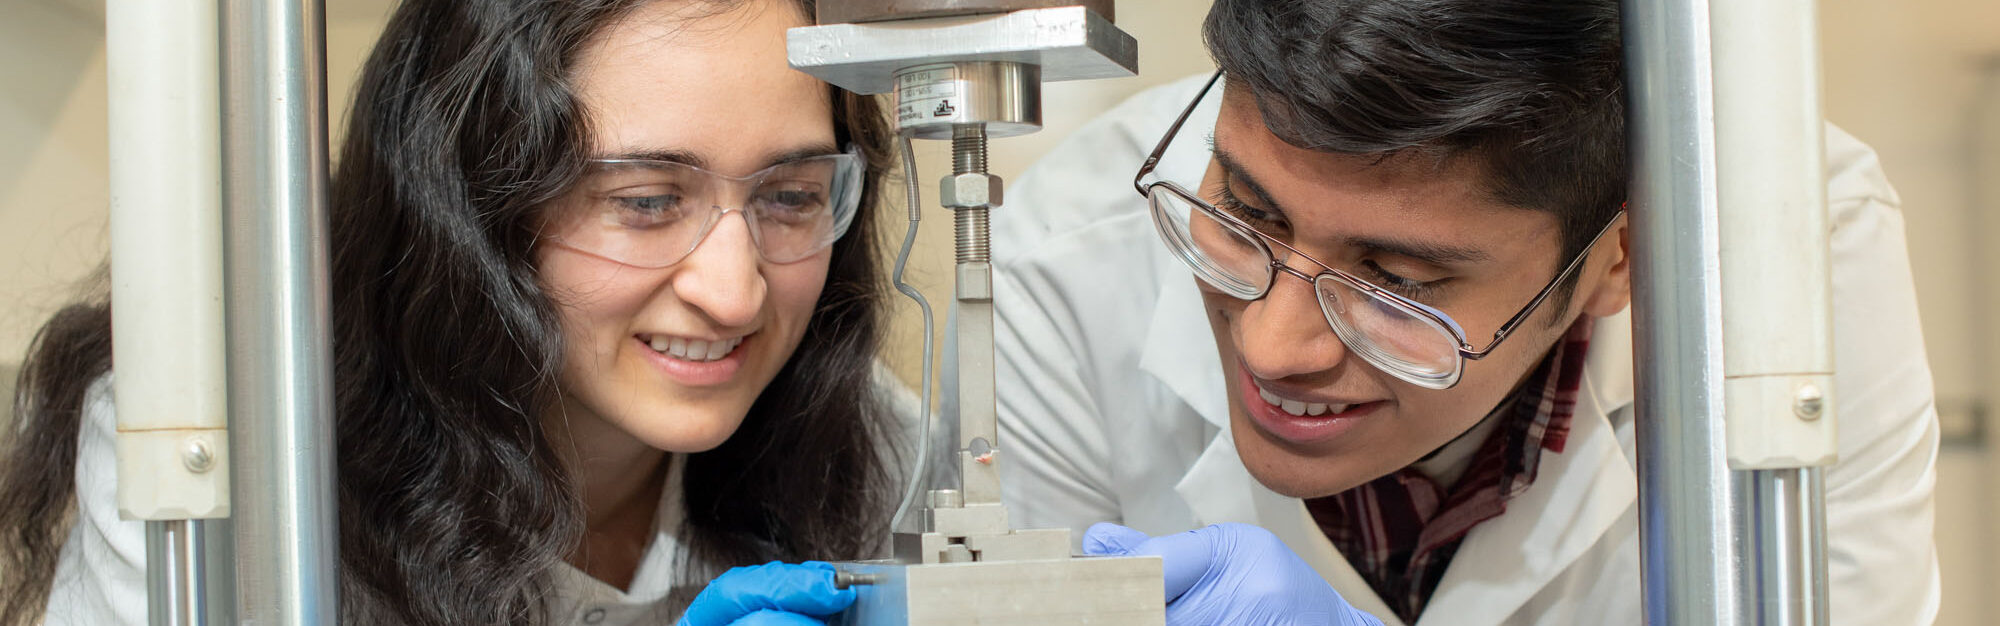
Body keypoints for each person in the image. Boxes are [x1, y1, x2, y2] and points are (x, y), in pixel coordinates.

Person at [991, 0, 1941, 624]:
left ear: (1622, 256)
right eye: (1245, 213)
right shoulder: (1068, 257)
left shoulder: (1791, 256)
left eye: (1397, 280)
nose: (1272, 347)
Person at [0, 0, 913, 623]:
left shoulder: (868, 441)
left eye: (790, 196)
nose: (734, 290)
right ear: (470, 205)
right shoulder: (217, 451)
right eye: (643, 202)